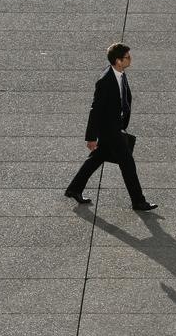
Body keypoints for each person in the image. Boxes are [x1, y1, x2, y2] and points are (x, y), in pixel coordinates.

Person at [65, 43, 158, 211]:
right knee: (127, 163)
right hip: (109, 130)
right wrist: (91, 137)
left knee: (97, 157)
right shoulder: (105, 81)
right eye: (127, 57)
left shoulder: (120, 73)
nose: (131, 59)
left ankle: (74, 189)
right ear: (118, 61)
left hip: (115, 126)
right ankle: (138, 201)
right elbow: (96, 109)